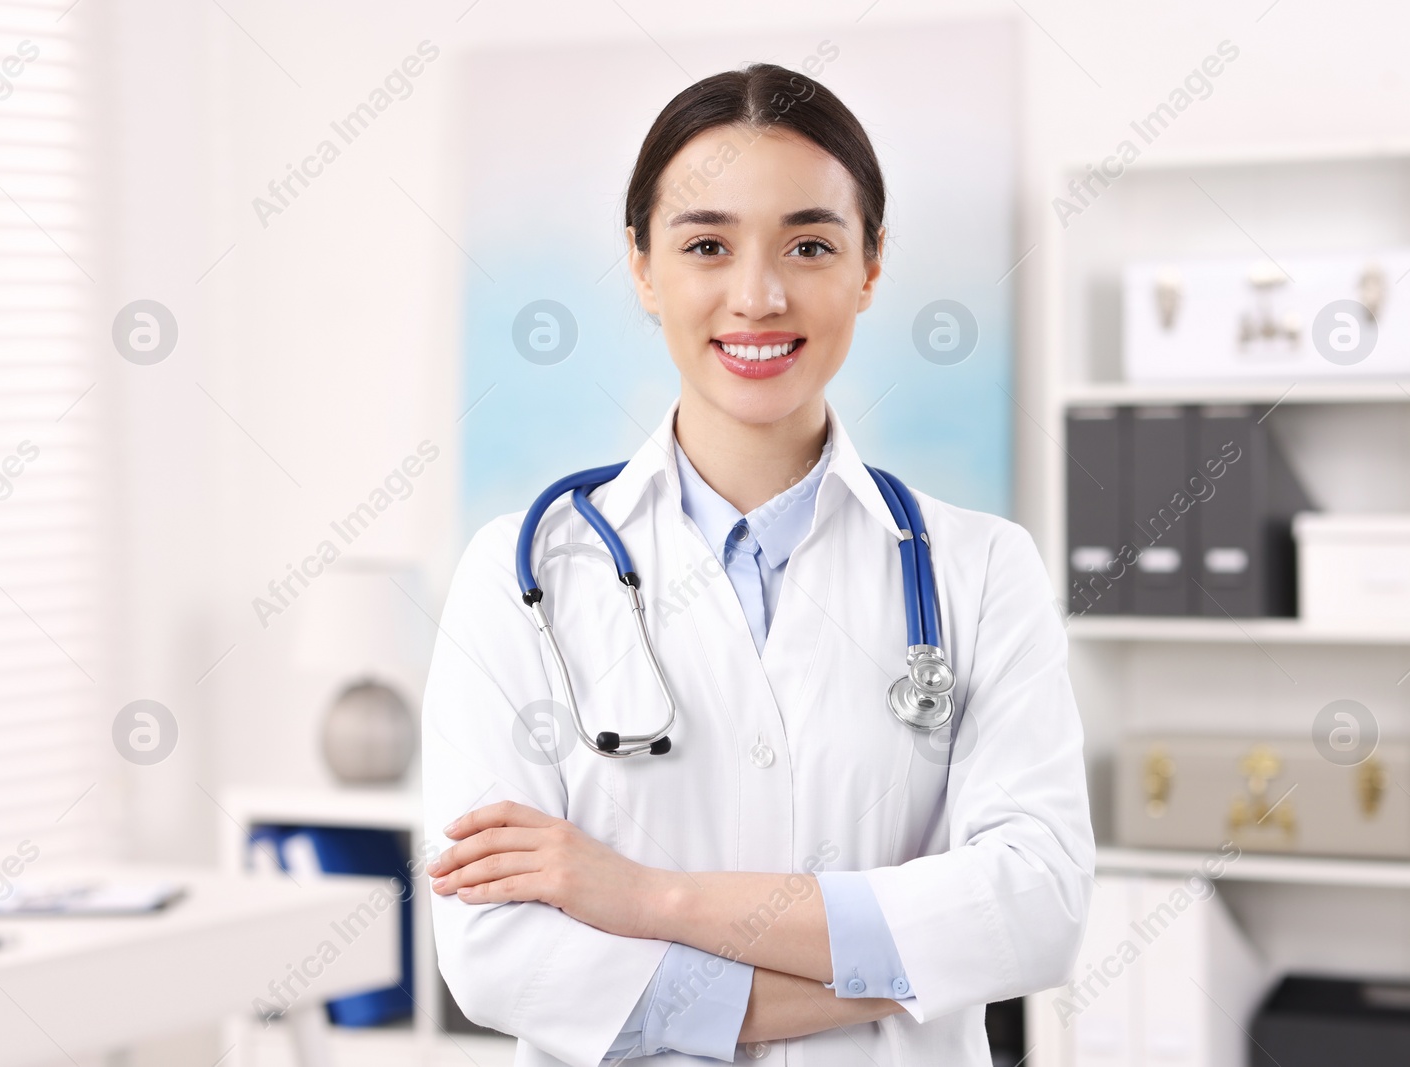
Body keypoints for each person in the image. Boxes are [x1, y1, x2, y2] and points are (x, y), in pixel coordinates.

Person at [422, 61, 1093, 1066]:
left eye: (809, 243)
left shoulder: (983, 571)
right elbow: (496, 955)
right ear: (644, 267)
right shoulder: (520, 576)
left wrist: (645, 896)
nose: (758, 295)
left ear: (869, 266)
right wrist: (880, 976)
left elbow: (1035, 903)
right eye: (706, 244)